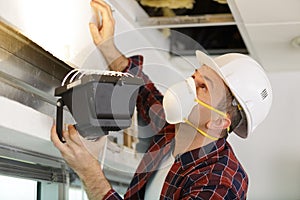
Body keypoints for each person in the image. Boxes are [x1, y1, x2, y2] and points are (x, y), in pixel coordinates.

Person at [51, 0, 273, 199]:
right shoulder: (172, 133)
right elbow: (144, 92)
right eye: (194, 77)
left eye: (202, 86)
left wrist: (89, 172)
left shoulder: (220, 183)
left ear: (218, 121)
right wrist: (108, 47)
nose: (187, 85)